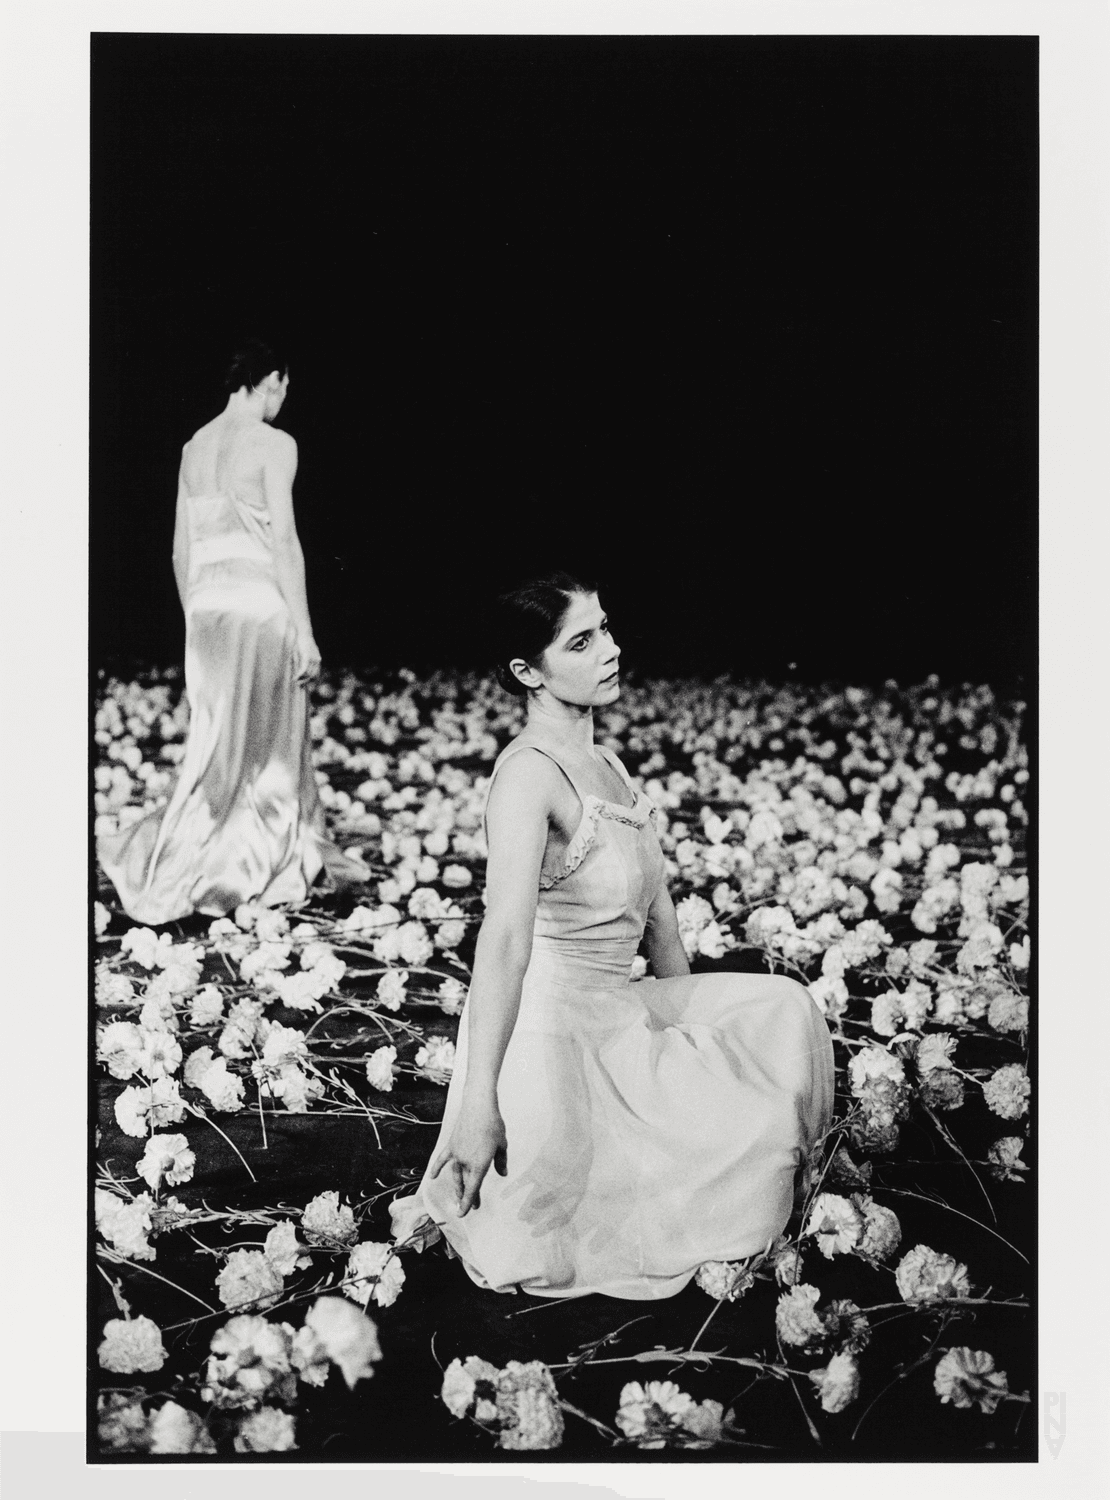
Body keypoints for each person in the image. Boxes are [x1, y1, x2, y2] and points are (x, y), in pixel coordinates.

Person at [390, 573, 835, 1300]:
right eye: (582, 640)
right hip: (553, 1026)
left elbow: (658, 918)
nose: (610, 650)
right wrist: (478, 1104)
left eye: (606, 629)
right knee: (753, 1145)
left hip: (621, 1008)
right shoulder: (526, 779)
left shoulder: (610, 767)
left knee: (784, 1011)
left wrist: (688, 1045)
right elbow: (503, 942)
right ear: (527, 672)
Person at [98, 338, 365, 925]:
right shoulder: (275, 444)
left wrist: (197, 613)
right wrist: (305, 628)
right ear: (269, 379)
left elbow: (179, 549)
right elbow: (284, 540)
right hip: (260, 606)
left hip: (208, 609)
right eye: (284, 388)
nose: (283, 400)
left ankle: (187, 855)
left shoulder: (193, 447)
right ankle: (256, 859)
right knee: (270, 747)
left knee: (214, 742)